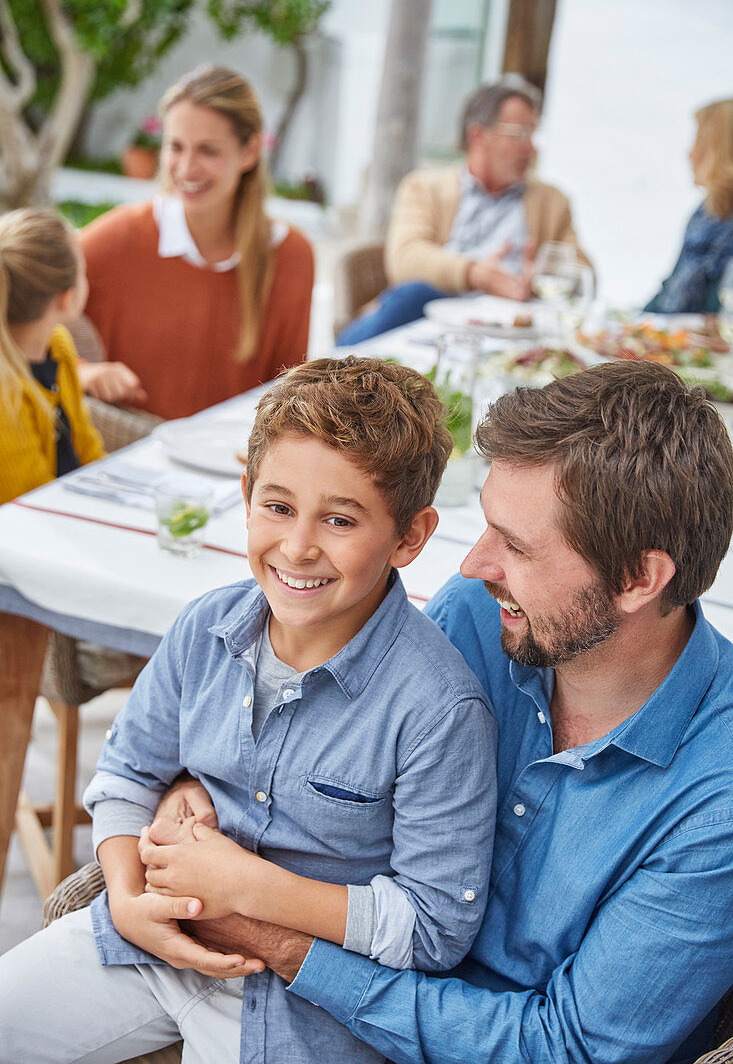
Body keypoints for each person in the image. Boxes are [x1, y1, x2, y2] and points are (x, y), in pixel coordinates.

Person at [153, 360, 733, 1064]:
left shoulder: (716, 807)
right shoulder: (482, 621)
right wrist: (196, 791)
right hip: (320, 1004)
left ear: (639, 579)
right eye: (488, 528)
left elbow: (564, 1050)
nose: (472, 567)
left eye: (516, 547)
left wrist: (281, 943)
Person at [0, 357, 497, 1063]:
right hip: (145, 942)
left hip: (304, 1002)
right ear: (245, 494)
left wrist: (251, 887)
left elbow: (432, 928)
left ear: (409, 537)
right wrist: (127, 898)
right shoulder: (205, 627)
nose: (297, 546)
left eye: (339, 519)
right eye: (277, 506)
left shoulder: (438, 709)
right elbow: (125, 776)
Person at [77, 64, 315, 420]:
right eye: (176, 147)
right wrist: (84, 371)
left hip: (234, 463)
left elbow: (289, 394)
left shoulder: (293, 256)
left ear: (250, 151)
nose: (186, 168)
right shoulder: (116, 239)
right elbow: (24, 330)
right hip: (124, 451)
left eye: (208, 150)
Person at [338, 75, 588, 345]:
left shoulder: (551, 201)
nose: (531, 148)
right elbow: (405, 258)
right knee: (413, 294)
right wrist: (474, 273)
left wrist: (541, 277)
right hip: (431, 317)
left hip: (510, 330)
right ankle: (324, 372)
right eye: (520, 134)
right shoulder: (424, 187)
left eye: (533, 134)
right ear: (478, 135)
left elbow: (584, 272)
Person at [0, 207, 104, 505]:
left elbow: (88, 451)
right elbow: (31, 506)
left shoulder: (57, 344)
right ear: (67, 298)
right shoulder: (4, 396)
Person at [646, 97, 733, 314]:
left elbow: (721, 309)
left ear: (720, 153)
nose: (690, 153)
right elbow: (672, 286)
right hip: (676, 337)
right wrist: (635, 324)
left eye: (699, 142)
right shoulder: (704, 214)